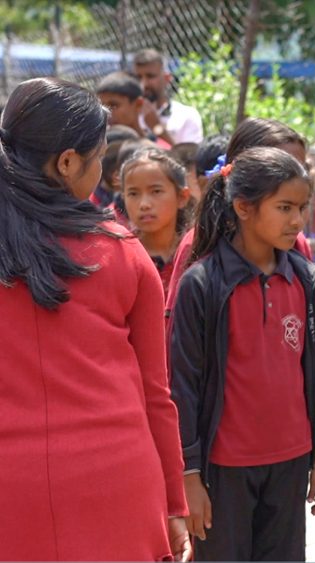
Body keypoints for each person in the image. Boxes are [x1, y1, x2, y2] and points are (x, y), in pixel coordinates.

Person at [0, 77, 189, 560]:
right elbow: (155, 395)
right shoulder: (123, 252)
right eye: (99, 156)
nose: (102, 168)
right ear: (67, 163)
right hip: (118, 485)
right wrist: (173, 504)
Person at [170, 146, 315, 560]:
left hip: (291, 460)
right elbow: (183, 385)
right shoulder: (202, 284)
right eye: (284, 207)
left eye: (301, 207)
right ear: (243, 207)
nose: (296, 220)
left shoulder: (301, 279)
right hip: (224, 468)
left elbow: (313, 370)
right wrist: (189, 476)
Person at [164, 117, 313, 324]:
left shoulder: (297, 244)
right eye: (282, 167)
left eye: (301, 168)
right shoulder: (199, 242)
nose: (296, 177)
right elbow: (179, 333)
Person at [120, 147, 193, 293]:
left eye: (156, 191)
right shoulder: (121, 255)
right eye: (133, 193)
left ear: (182, 197)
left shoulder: (194, 251)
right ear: (123, 198)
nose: (144, 204)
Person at [133, 48, 204, 145]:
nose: (143, 84)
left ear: (167, 78)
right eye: (138, 77)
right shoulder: (129, 114)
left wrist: (157, 128)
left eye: (150, 76)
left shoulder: (186, 116)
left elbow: (189, 159)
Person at [95, 71, 156, 141]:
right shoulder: (99, 147)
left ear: (138, 104)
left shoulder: (156, 145)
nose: (106, 112)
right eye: (102, 107)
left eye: (113, 105)